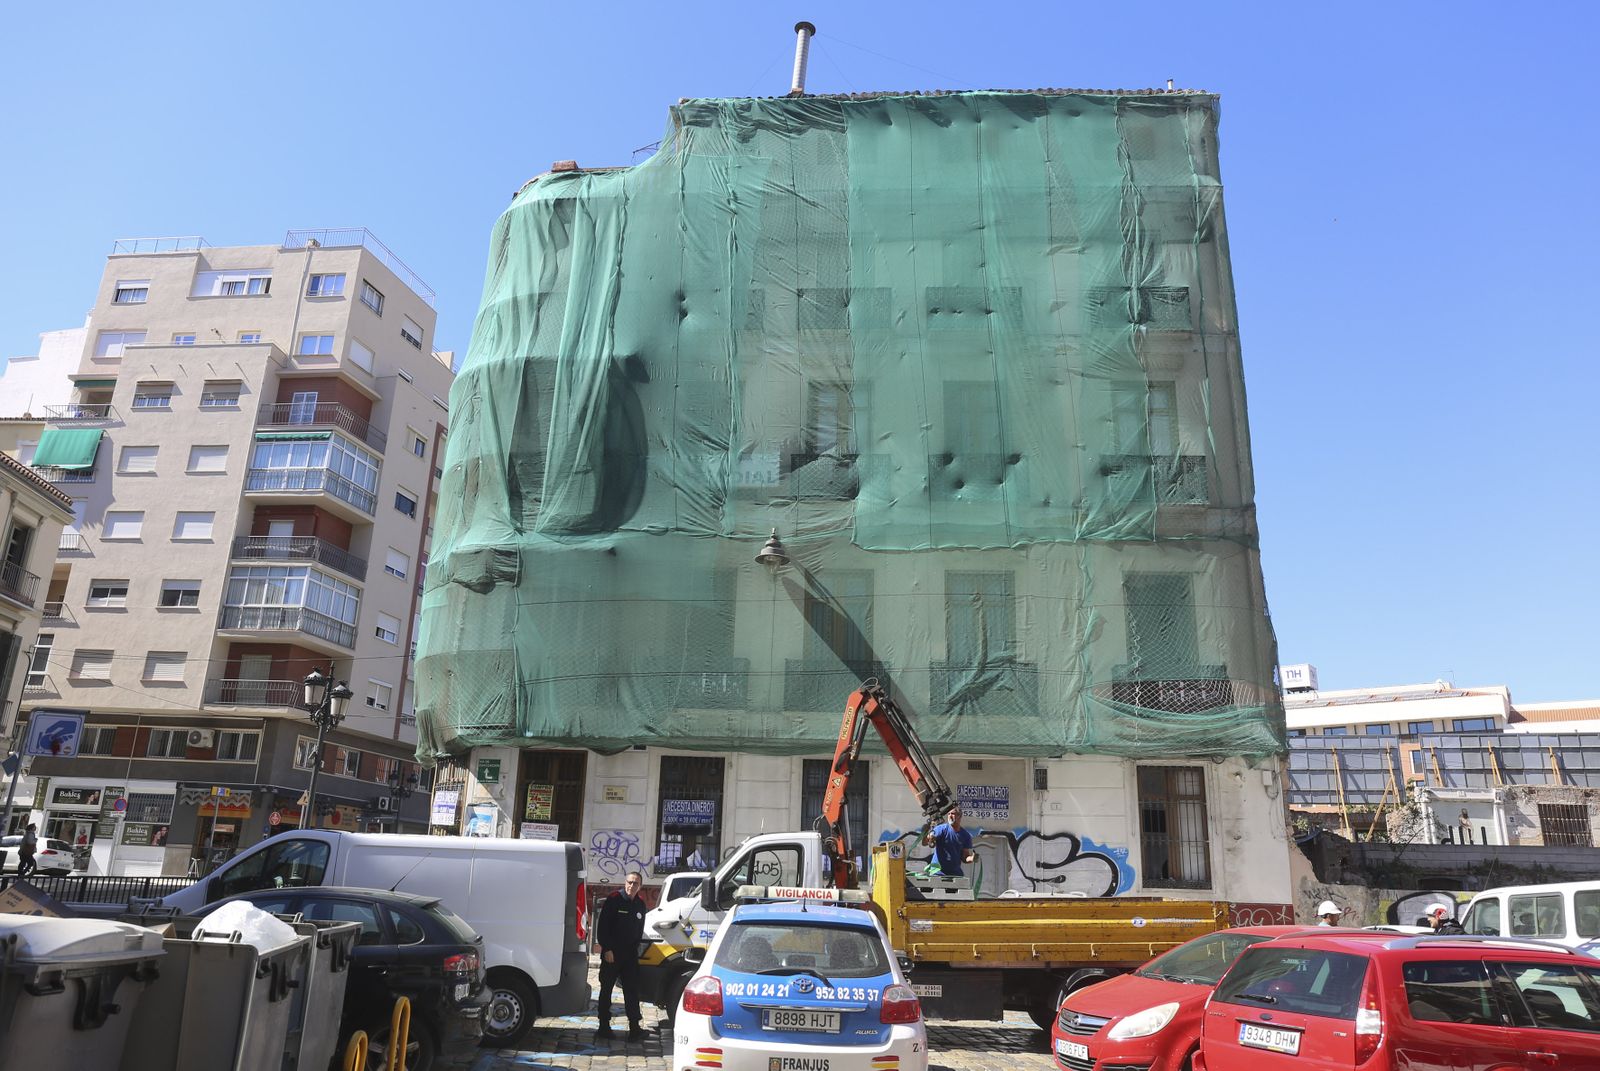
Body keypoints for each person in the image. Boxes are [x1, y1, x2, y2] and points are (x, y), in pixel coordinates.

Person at [595, 871, 648, 1042]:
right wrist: (607, 949)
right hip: (612, 954)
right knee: (606, 990)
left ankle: (635, 1028)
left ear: (640, 886)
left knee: (632, 991)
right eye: (630, 882)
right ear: (625, 883)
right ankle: (604, 1026)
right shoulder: (614, 899)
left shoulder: (640, 904)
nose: (632, 886)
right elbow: (602, 927)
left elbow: (639, 930)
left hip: (630, 956)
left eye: (636, 883)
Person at [925, 806, 976, 877]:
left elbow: (965, 857)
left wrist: (972, 858)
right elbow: (926, 842)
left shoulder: (965, 835)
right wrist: (930, 837)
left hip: (955, 874)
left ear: (959, 816)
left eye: (952, 814)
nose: (950, 816)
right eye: (948, 814)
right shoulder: (942, 829)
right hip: (937, 873)